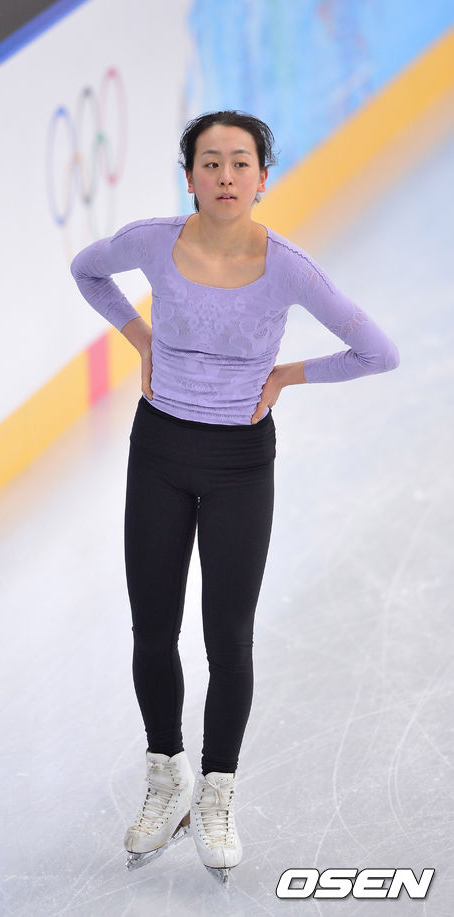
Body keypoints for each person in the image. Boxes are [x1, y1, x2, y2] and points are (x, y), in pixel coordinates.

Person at [70, 109, 400, 881]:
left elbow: (377, 351)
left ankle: (217, 789)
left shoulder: (288, 268)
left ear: (262, 178)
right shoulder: (153, 242)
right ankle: (166, 773)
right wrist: (141, 337)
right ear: (190, 176)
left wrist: (287, 375)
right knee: (153, 628)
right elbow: (88, 269)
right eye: (211, 162)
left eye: (240, 162)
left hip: (240, 465)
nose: (225, 176)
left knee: (229, 637)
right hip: (159, 452)